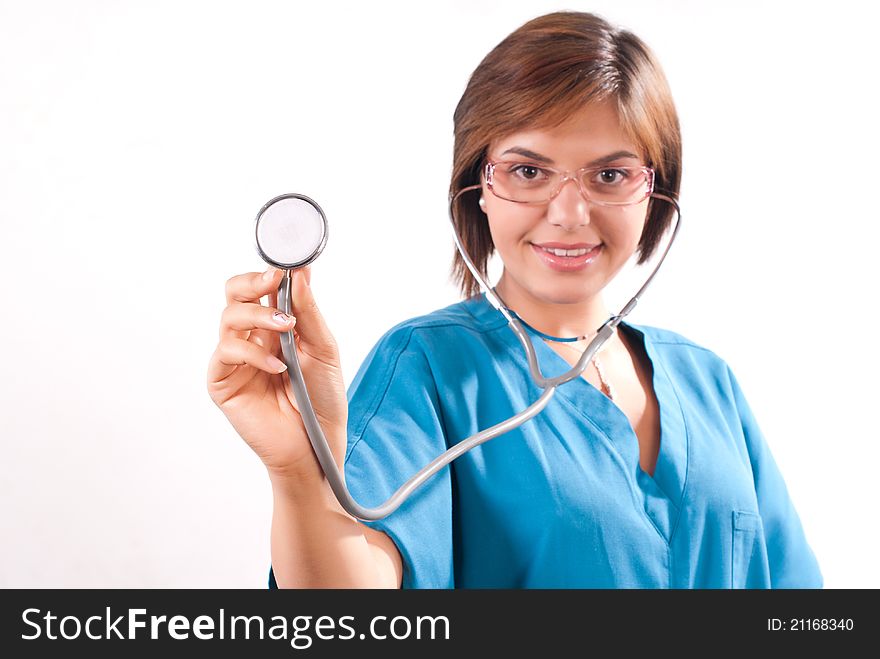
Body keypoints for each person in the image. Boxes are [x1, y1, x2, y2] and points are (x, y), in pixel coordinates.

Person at [207, 11, 822, 589]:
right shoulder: (430, 368)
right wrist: (295, 475)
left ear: (655, 190)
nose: (570, 214)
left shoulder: (708, 380)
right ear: (479, 184)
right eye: (529, 171)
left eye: (610, 175)